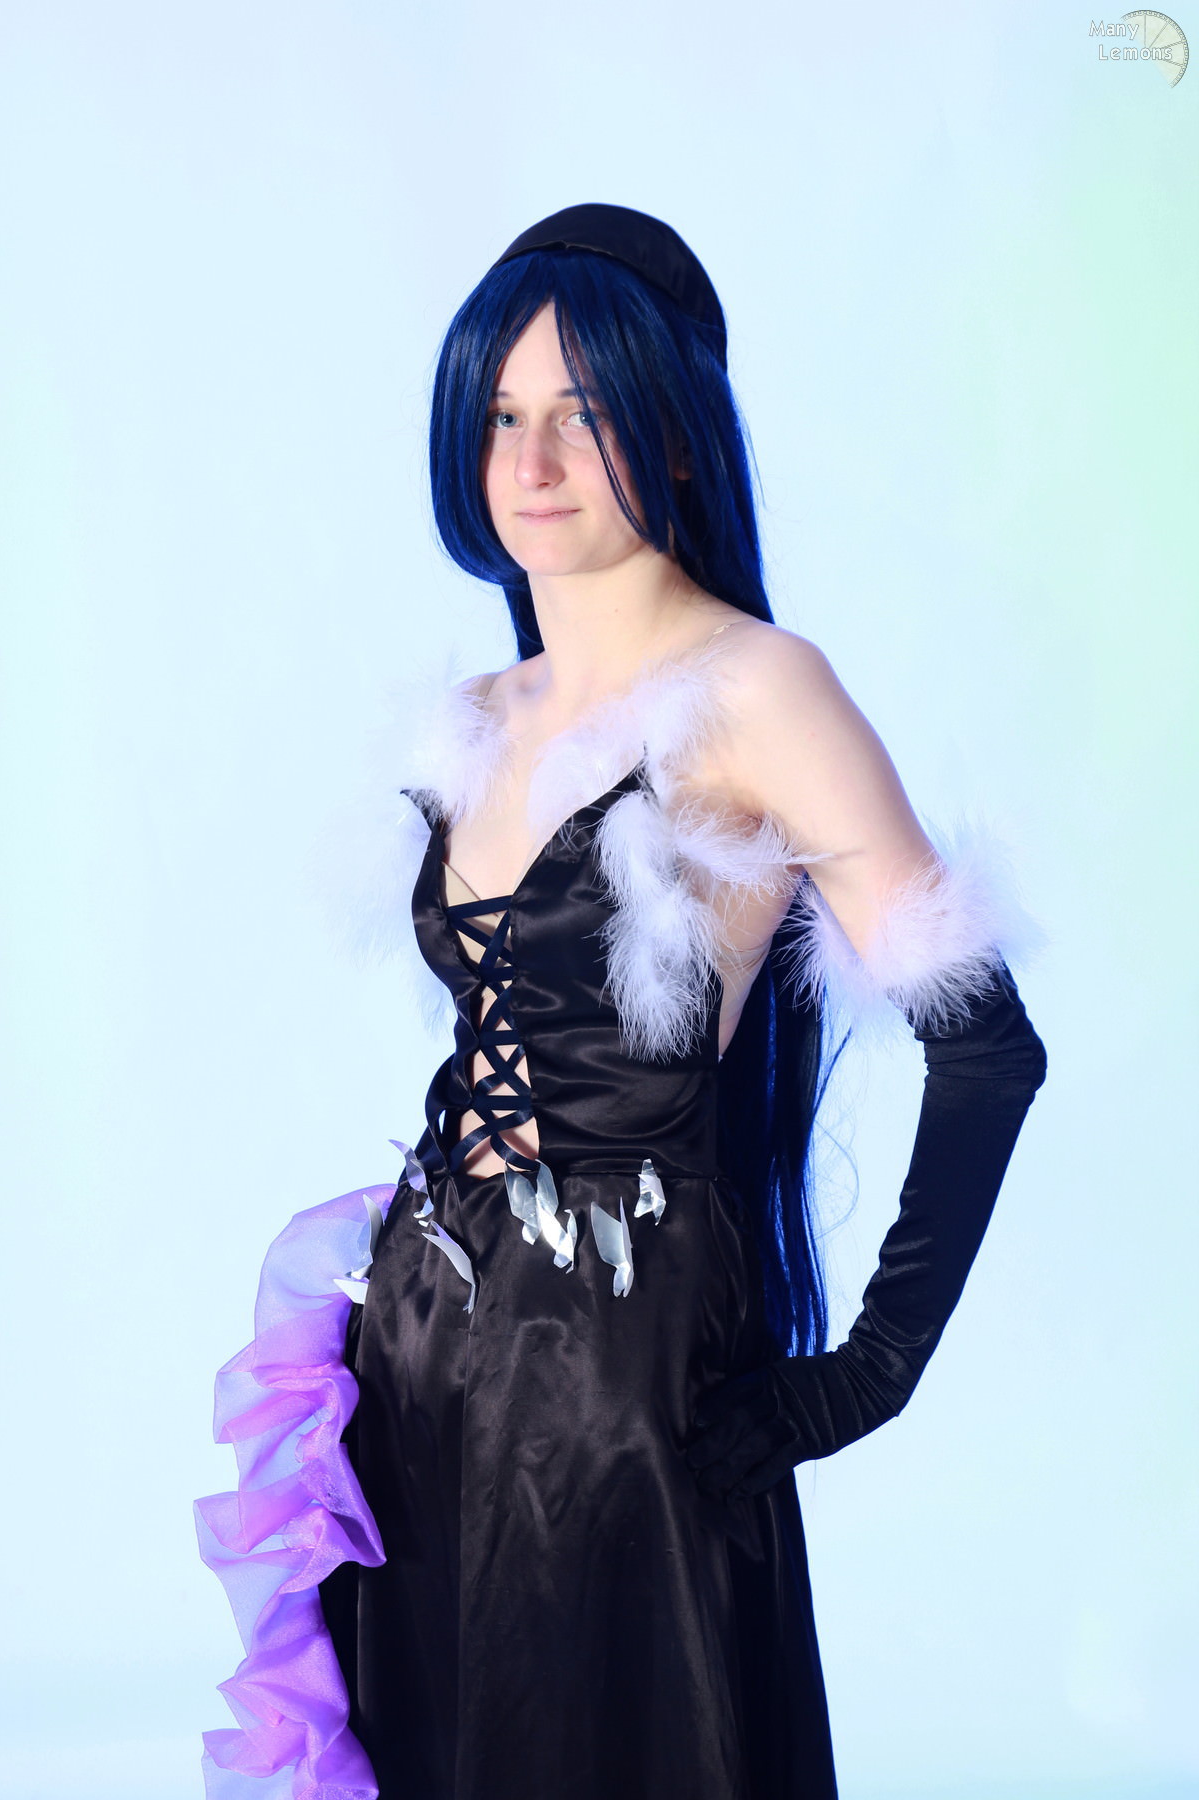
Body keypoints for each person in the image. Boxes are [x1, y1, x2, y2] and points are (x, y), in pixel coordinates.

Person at [196, 203, 1048, 1800]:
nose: (531, 461)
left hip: (620, 1384)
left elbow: (988, 1046)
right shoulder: (475, 716)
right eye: (501, 415)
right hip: (415, 1354)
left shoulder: (759, 690)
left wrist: (868, 1370)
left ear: (671, 431)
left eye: (581, 414)